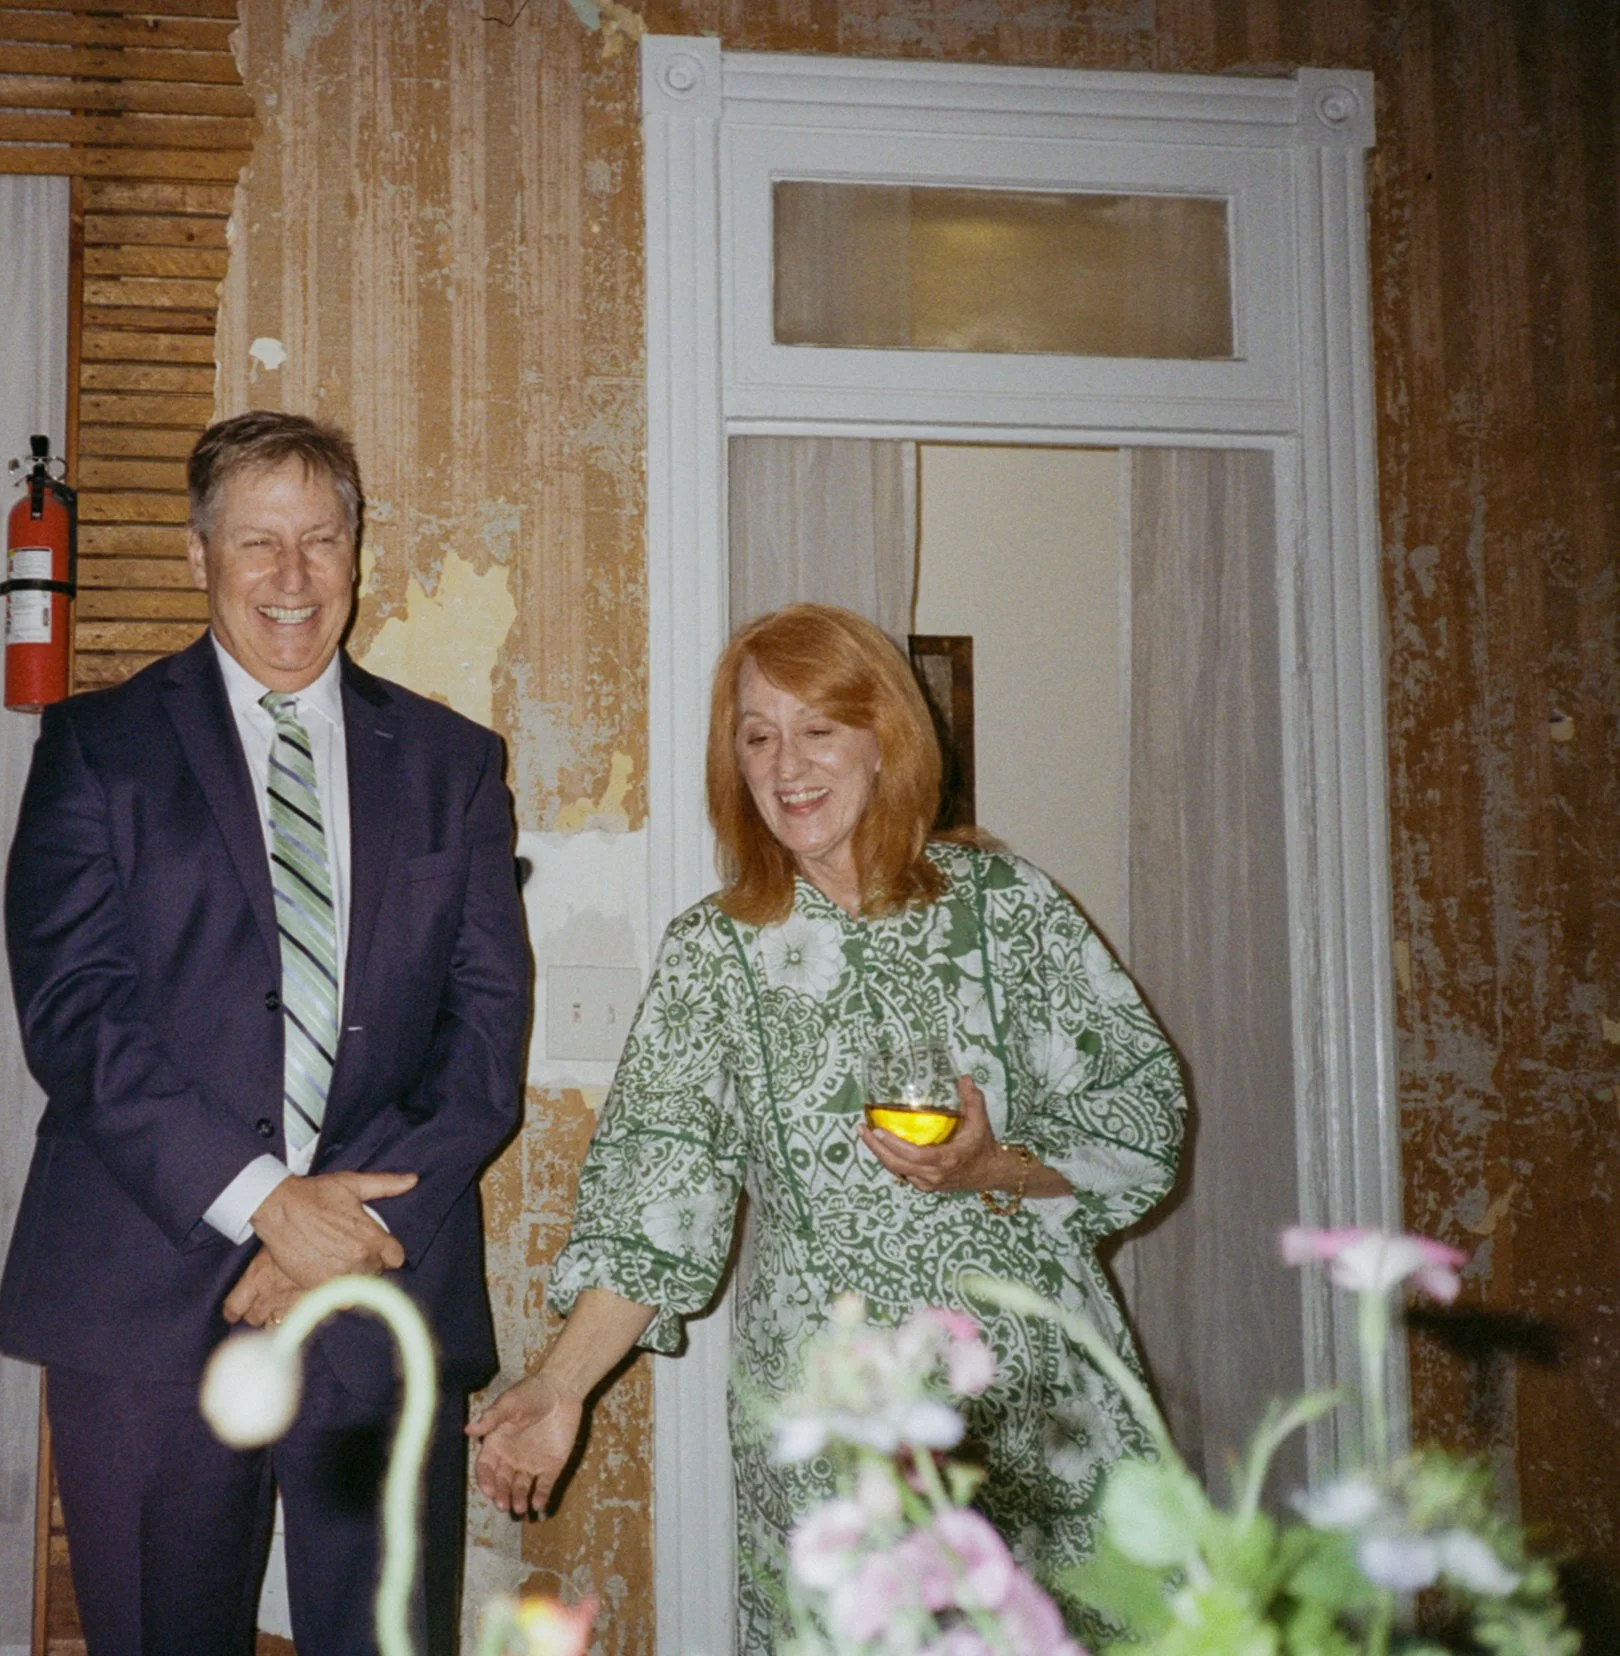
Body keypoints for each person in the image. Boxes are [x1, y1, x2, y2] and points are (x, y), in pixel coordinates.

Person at [469, 604, 1185, 1647]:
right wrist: (560, 1386)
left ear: (884, 738)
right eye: (757, 736)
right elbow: (654, 1197)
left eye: (817, 730)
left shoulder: (1007, 907)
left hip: (1031, 1402)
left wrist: (994, 1166)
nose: (786, 765)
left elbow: (1142, 1114)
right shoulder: (715, 954)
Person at [0, 411, 531, 1656]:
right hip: (140, 1285)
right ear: (199, 555)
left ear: (358, 550)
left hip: (383, 1283)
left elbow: (483, 1038)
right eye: (256, 542)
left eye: (321, 539)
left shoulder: (453, 762)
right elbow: (74, 1014)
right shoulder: (97, 747)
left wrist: (338, 1231)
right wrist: (266, 1204)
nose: (292, 576)